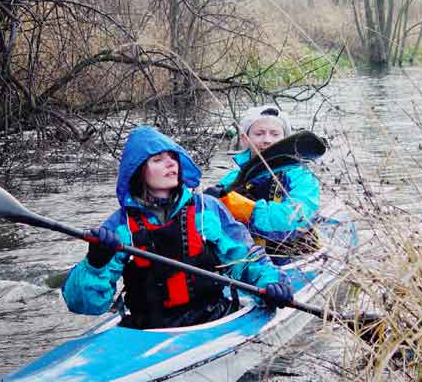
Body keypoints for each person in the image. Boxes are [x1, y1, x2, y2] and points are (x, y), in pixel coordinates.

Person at [62, 126, 294, 329]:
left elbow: (245, 259)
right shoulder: (120, 226)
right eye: (157, 159)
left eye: (172, 157)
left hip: (213, 318)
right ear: (138, 172)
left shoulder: (206, 210)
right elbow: (86, 306)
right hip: (149, 329)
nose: (171, 163)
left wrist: (271, 283)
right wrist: (94, 264)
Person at [206, 105, 321, 264]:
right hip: (247, 258)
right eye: (259, 134)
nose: (267, 140)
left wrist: (248, 210)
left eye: (275, 134)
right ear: (246, 139)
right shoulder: (232, 179)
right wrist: (208, 202)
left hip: (292, 257)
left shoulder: (301, 176)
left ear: (285, 140)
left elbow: (297, 220)